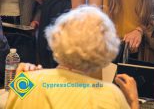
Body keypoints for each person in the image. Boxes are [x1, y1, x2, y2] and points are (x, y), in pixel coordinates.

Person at [5, 6, 139, 109]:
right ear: (106, 50)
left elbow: (11, 102)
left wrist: (20, 80)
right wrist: (133, 102)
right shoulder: (111, 95)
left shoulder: (27, 81)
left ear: (57, 37)